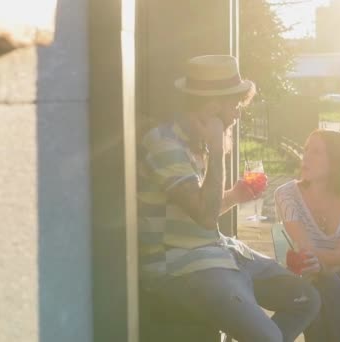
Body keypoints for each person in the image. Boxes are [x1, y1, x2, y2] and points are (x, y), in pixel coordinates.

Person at [137, 55, 320, 342]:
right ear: (211, 107)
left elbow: (198, 214)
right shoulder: (164, 144)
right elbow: (206, 216)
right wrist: (217, 148)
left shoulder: (194, 142)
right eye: (234, 106)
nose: (238, 114)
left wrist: (235, 196)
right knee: (268, 338)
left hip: (220, 253)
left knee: (306, 298)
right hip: (180, 265)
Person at [274, 129, 340, 342]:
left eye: (317, 152)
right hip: (308, 284)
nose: (306, 157)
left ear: (337, 162)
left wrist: (332, 262)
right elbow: (307, 251)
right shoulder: (286, 195)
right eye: (306, 150)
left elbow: (329, 266)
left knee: (323, 291)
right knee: (318, 293)